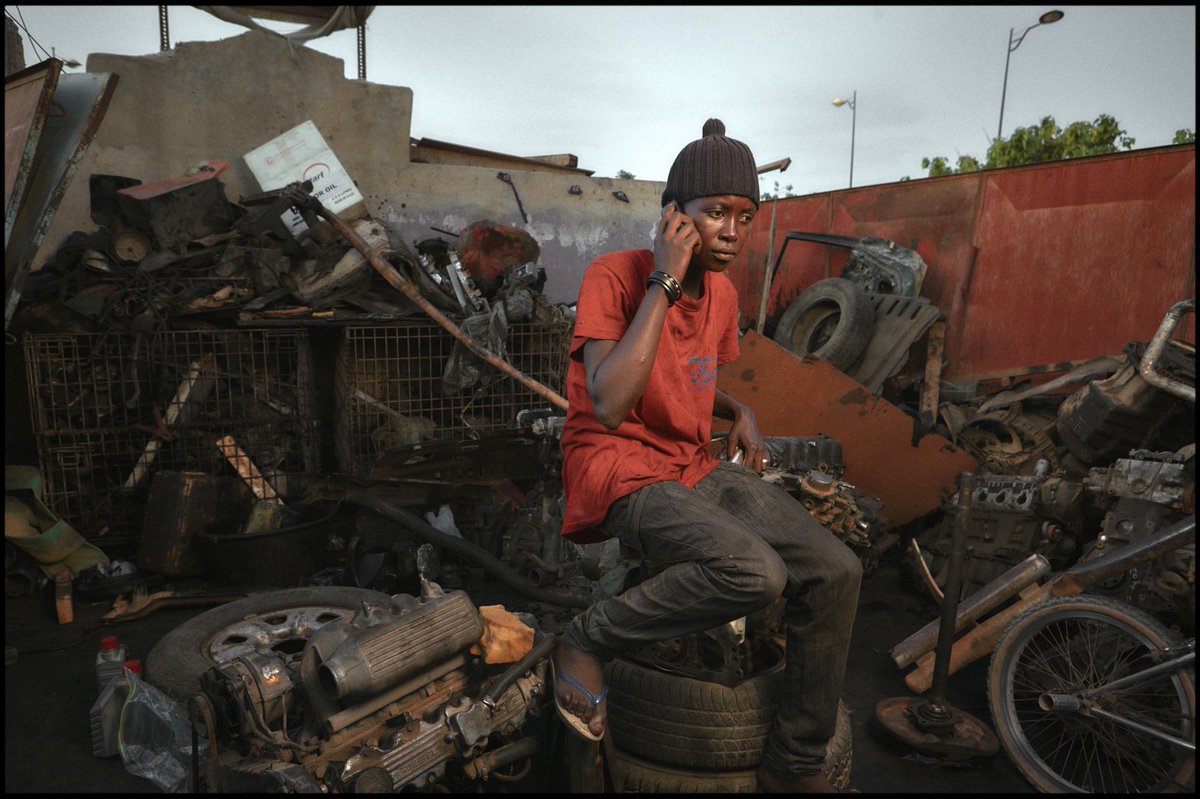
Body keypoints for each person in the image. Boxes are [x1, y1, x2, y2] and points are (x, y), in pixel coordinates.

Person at [553, 118, 863, 793]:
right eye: (714, 212)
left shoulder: (722, 294)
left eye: (744, 216)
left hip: (688, 462)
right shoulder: (616, 276)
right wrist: (664, 282)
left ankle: (797, 761)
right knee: (757, 573)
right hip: (616, 466)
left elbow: (681, 371)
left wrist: (737, 410)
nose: (731, 229)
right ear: (674, 216)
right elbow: (609, 400)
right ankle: (588, 633)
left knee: (837, 569)